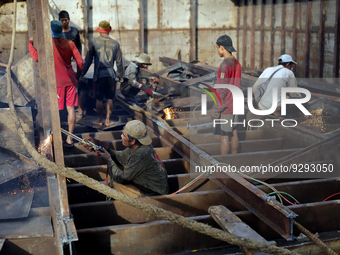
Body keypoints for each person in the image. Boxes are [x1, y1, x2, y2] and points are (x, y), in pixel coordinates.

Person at [28, 20, 83, 147]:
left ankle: (58, 139)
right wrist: (78, 76)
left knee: (56, 110)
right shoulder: (70, 43)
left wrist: (30, 44)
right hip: (71, 81)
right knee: (71, 109)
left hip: (56, 82)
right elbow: (80, 62)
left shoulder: (48, 44)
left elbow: (36, 57)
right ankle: (69, 138)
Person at [85, 120, 169, 198]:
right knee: (119, 167)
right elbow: (121, 158)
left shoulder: (140, 154)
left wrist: (109, 160)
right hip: (150, 187)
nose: (121, 136)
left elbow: (122, 178)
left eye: (124, 135)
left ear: (132, 141)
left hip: (154, 194)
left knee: (115, 183)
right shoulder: (138, 146)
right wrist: (99, 146)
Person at [81, 20, 124, 126]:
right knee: (110, 98)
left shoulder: (94, 41)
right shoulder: (115, 43)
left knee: (99, 98)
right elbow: (119, 61)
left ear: (99, 30)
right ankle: (108, 121)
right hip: (110, 75)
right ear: (109, 30)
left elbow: (88, 60)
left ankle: (100, 120)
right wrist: (121, 75)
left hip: (99, 75)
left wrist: (82, 73)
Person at [212, 34, 242, 155]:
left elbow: (222, 89)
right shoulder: (237, 63)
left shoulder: (224, 65)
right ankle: (234, 162)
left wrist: (217, 107)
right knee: (234, 133)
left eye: (217, 48)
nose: (217, 50)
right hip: (236, 105)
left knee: (224, 136)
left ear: (221, 47)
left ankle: (224, 168)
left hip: (227, 107)